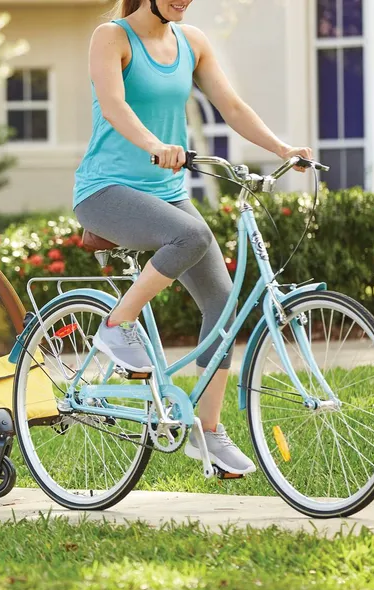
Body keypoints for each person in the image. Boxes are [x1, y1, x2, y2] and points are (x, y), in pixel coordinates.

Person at [73, 0, 313, 476]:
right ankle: (117, 325)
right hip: (105, 190)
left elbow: (233, 106)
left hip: (168, 193)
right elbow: (115, 105)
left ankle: (207, 431)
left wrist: (282, 148)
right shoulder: (112, 37)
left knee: (222, 304)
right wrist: (154, 145)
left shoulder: (192, 42)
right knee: (193, 234)